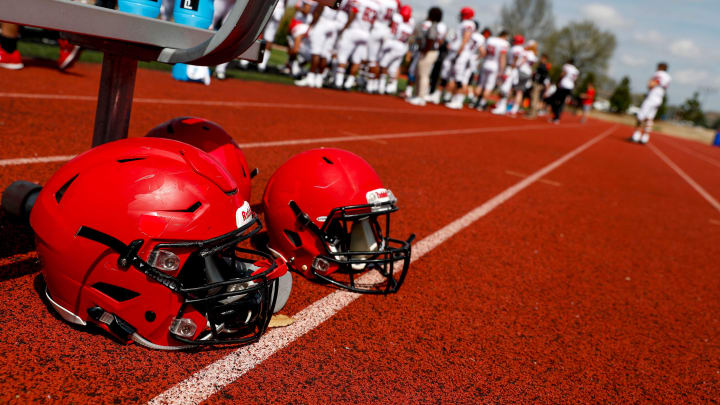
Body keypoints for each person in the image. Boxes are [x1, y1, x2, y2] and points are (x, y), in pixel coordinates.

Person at [406, 7, 446, 106]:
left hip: (429, 51)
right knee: (419, 73)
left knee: (423, 74)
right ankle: (417, 94)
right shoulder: (438, 26)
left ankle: (421, 97)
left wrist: (425, 50)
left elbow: (431, 39)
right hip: (429, 51)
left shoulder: (433, 26)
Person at [632, 62, 671, 144]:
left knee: (641, 116)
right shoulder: (668, 77)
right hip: (659, 99)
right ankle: (645, 137)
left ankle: (636, 135)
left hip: (652, 97)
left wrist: (650, 84)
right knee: (650, 118)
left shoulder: (658, 74)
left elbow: (652, 84)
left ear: (660, 67)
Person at [473, 29, 509, 111]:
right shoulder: (504, 43)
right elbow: (502, 58)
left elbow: (484, 52)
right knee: (489, 86)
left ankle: (474, 101)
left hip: (486, 63)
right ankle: (482, 103)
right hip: (495, 66)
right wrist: (502, 70)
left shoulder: (490, 40)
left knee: (481, 84)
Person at [549, 58, 578, 123]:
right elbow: (574, 80)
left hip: (563, 86)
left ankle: (556, 116)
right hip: (570, 87)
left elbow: (563, 74)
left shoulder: (566, 66)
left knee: (554, 99)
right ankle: (557, 118)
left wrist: (558, 81)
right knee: (561, 102)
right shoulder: (575, 70)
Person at [527, 53, 549, 118]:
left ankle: (533, 113)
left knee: (534, 98)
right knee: (534, 97)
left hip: (538, 84)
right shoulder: (542, 65)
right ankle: (532, 112)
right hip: (538, 83)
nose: (540, 59)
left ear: (544, 58)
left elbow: (544, 76)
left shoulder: (543, 66)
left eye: (542, 58)